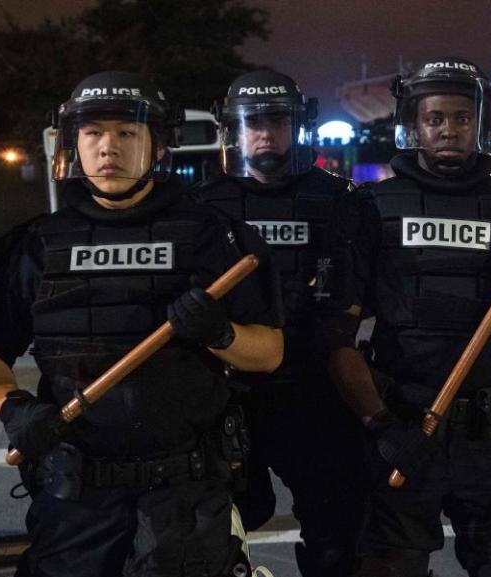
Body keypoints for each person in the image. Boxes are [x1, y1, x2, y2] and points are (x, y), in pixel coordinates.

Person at [0, 71, 284, 577]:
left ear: (157, 146)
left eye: (127, 133)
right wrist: (12, 407)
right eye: (93, 133)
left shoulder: (216, 238)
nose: (108, 147)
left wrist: (220, 334)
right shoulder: (32, 246)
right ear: (73, 144)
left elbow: (268, 353)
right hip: (74, 495)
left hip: (184, 495)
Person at [327, 57, 491, 577]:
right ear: (414, 125)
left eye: (462, 118)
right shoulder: (371, 209)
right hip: (408, 426)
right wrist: (380, 426)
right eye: (435, 119)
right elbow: (336, 337)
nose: (449, 129)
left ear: (480, 124)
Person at [189, 68, 365, 577]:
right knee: (221, 532)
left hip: (319, 388)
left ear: (298, 126)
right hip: (230, 395)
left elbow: (365, 292)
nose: (266, 133)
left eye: (277, 122)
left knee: (337, 534)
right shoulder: (203, 205)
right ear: (235, 131)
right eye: (254, 123)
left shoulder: (339, 199)